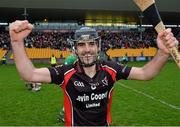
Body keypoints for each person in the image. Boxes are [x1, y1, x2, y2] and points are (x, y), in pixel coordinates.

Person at [9, 20, 178, 126]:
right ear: (75, 48)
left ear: (98, 46)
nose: (87, 50)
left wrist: (163, 53)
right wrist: (16, 41)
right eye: (82, 45)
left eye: (91, 44)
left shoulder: (111, 69)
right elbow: (29, 74)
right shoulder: (65, 72)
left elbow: (145, 73)